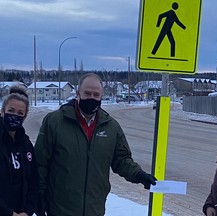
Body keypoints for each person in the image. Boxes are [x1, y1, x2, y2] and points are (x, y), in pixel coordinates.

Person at [35, 73, 157, 216]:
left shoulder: (111, 127)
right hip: (60, 209)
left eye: (96, 94)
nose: (91, 98)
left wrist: (139, 175)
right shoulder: (55, 122)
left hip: (95, 209)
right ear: (77, 94)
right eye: (87, 93)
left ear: (101, 97)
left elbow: (122, 160)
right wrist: (39, 196)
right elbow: (40, 163)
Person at [0, 85, 38, 216]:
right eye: (11, 110)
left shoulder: (26, 145)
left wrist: (27, 211)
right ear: (2, 111)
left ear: (25, 116)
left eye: (20, 113)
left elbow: (33, 181)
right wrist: (8, 213)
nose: (14, 115)